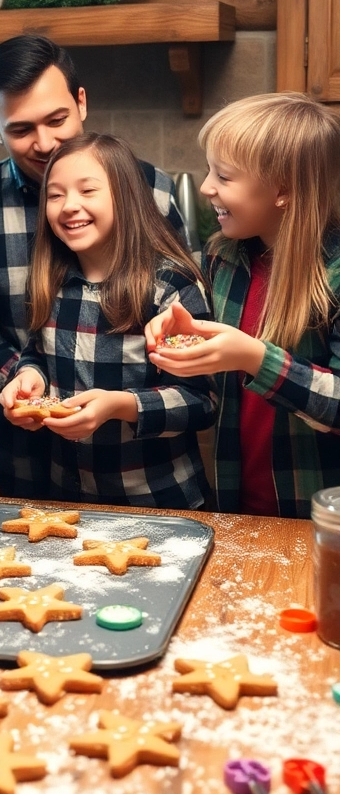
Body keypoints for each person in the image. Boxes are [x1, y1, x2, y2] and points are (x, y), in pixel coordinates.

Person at [0, 34, 186, 499]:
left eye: (57, 120)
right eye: (20, 129)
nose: (45, 143)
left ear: (81, 102)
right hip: (30, 462)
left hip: (142, 469)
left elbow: (183, 327)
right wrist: (25, 377)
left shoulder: (150, 190)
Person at [145, 93, 340, 517]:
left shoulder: (335, 274)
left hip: (320, 514)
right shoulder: (223, 258)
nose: (205, 187)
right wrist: (183, 330)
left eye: (225, 176)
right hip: (239, 502)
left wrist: (254, 357)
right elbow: (213, 355)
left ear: (282, 191)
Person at [0, 134, 216, 507]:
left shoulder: (170, 285)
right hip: (68, 501)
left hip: (161, 502)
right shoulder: (50, 281)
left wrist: (119, 405)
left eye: (88, 191)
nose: (69, 206)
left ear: (125, 196)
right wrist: (29, 376)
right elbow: (36, 351)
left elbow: (202, 400)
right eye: (55, 195)